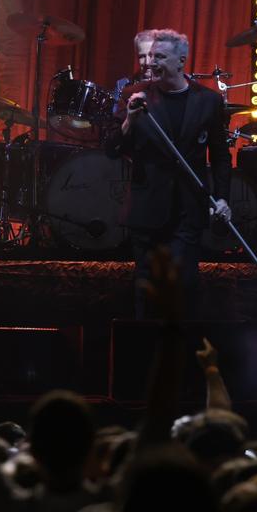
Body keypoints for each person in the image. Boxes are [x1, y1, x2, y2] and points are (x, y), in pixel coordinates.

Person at [106, 28, 231, 318]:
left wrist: (222, 198)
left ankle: (180, 356)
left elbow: (221, 155)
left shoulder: (208, 101)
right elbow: (111, 148)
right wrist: (129, 120)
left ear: (181, 61)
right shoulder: (134, 97)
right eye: (148, 56)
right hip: (147, 209)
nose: (149, 63)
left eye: (159, 56)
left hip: (188, 210)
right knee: (147, 290)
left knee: (182, 288)